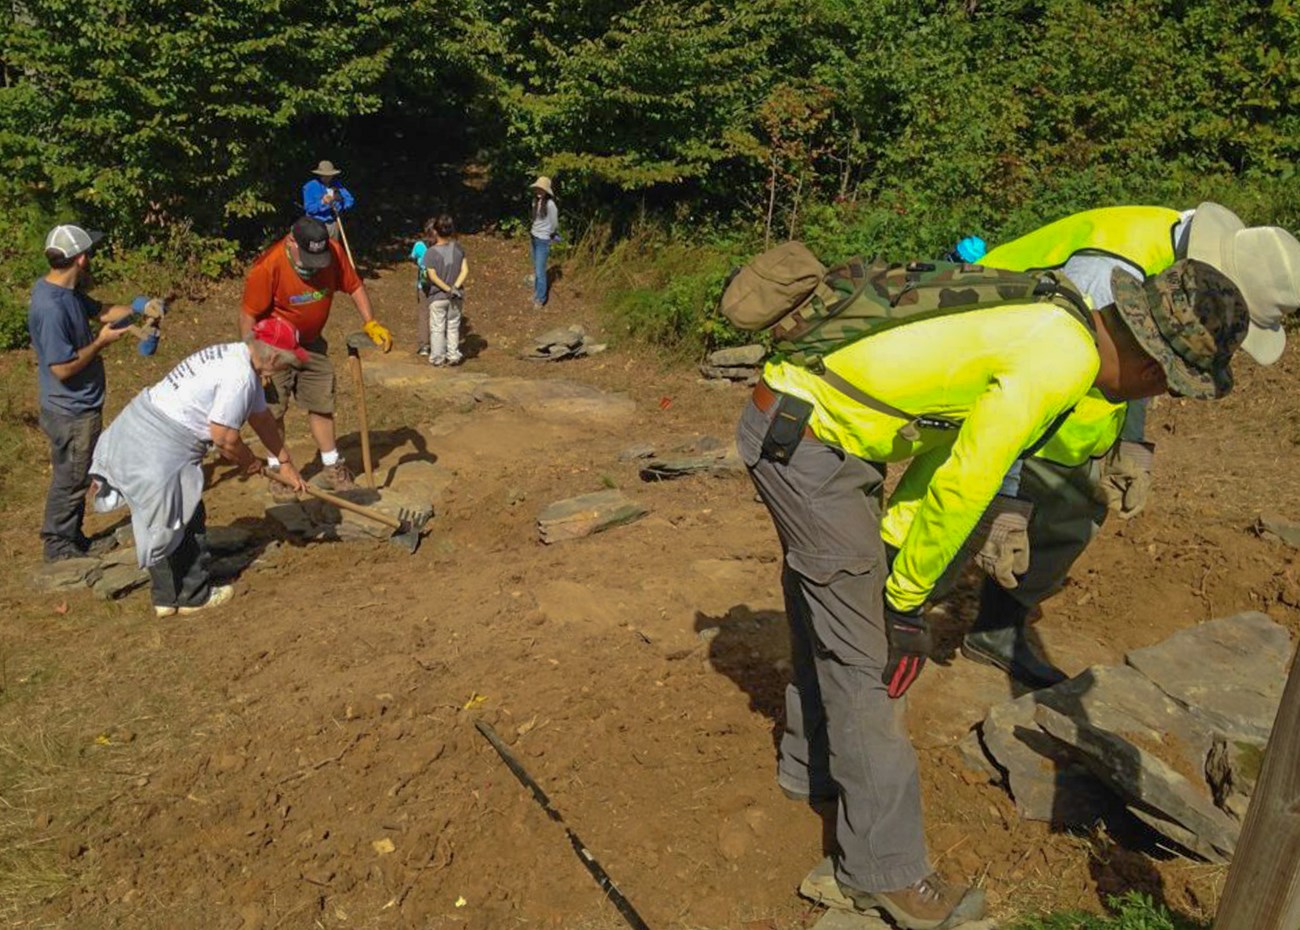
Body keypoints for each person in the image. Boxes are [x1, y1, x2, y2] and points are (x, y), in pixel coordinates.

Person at [734, 256, 1247, 928]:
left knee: (835, 608)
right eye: (1170, 387)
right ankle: (882, 873)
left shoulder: (1059, 319)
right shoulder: (1057, 364)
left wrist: (895, 556)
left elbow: (945, 453)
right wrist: (907, 601)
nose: (1153, 400)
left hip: (816, 431)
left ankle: (813, 771)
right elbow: (966, 481)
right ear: (1153, 364)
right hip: (807, 441)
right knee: (869, 661)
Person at [946, 204, 1300, 686]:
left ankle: (995, 629)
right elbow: (1024, 382)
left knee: (1077, 509)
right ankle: (878, 618)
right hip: (992, 382)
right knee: (967, 511)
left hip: (1072, 408)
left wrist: (1131, 443)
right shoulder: (1105, 269)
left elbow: (1144, 353)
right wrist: (1005, 499)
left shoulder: (1172, 259)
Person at [89, 318, 309, 617]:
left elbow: (262, 420)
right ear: (272, 357)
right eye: (288, 362)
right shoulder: (239, 377)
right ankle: (193, 596)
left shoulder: (239, 357)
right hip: (155, 443)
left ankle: (166, 599)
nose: (288, 368)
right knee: (182, 516)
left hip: (144, 431)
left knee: (161, 517)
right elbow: (224, 438)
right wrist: (249, 462)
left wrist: (284, 462)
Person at [240, 216, 392, 497]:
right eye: (309, 256)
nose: (315, 263)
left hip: (311, 344)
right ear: (291, 242)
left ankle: (332, 466)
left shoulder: (332, 251)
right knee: (274, 409)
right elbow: (248, 315)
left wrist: (370, 321)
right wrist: (254, 363)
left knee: (322, 400)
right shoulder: (268, 267)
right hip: (272, 348)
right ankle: (278, 471)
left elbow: (355, 285)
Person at [27, 224, 152, 562]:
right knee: (71, 479)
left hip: (78, 405)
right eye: (91, 253)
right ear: (81, 258)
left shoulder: (64, 292)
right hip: (70, 410)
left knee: (75, 475)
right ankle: (59, 548)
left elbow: (102, 312)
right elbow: (62, 368)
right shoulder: (51, 308)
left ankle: (73, 539)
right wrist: (101, 342)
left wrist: (142, 308)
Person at [421, 214, 469, 367]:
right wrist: (455, 288)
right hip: (456, 295)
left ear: (435, 231)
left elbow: (432, 277)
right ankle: (453, 355)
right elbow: (465, 270)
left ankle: (438, 357)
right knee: (453, 325)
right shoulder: (459, 248)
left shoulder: (431, 252)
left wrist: (447, 289)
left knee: (437, 328)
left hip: (438, 296)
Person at [302, 160, 355, 240]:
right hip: (315, 225)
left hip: (332, 224)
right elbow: (309, 208)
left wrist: (340, 201)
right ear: (320, 174)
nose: (328, 177)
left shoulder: (337, 185)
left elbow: (350, 200)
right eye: (325, 175)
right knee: (318, 251)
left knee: (333, 250)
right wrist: (322, 202)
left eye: (330, 175)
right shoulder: (310, 187)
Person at [528, 176, 558, 309]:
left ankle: (540, 299)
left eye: (542, 189)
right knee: (536, 268)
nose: (539, 191)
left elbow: (554, 223)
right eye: (538, 189)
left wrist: (550, 234)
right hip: (533, 237)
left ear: (546, 191)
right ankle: (536, 293)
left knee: (540, 271)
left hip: (543, 240)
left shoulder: (551, 205)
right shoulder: (534, 201)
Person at [410, 220, 435, 356]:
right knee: (438, 315)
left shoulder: (419, 245)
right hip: (439, 285)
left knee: (423, 314)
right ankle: (440, 344)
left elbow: (413, 257)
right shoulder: (441, 246)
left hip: (423, 284)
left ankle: (424, 346)